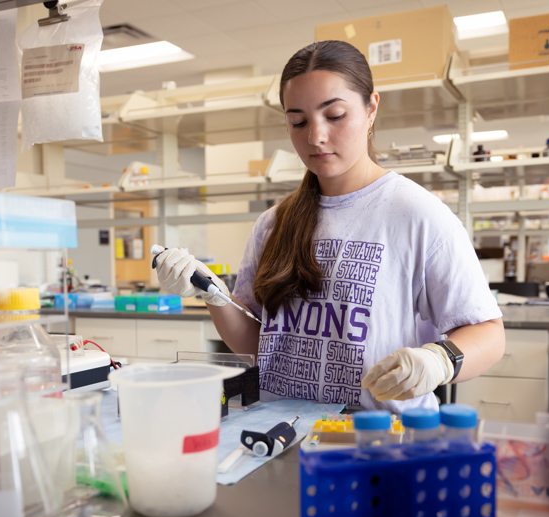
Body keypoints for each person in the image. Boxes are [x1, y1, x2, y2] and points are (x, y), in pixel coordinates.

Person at [156, 40, 505, 413]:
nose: (315, 136)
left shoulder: (418, 215)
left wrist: (439, 360)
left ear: (371, 108)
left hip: (377, 438)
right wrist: (215, 295)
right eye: (298, 121)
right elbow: (257, 344)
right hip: (280, 432)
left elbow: (488, 335)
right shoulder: (273, 224)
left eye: (334, 115)